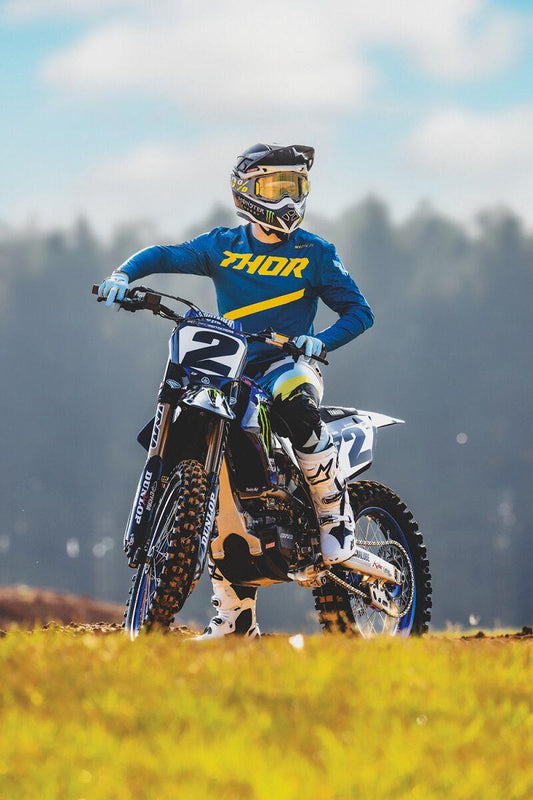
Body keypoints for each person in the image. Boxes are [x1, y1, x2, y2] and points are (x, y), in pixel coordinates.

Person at [98, 143, 374, 639]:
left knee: (297, 402)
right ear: (246, 191)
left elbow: (359, 311)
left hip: (288, 364)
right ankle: (234, 616)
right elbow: (164, 254)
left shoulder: (315, 252)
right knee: (220, 483)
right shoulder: (222, 245)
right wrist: (123, 275)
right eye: (276, 186)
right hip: (231, 371)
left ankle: (333, 514)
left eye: (295, 186)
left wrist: (320, 341)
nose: (287, 198)